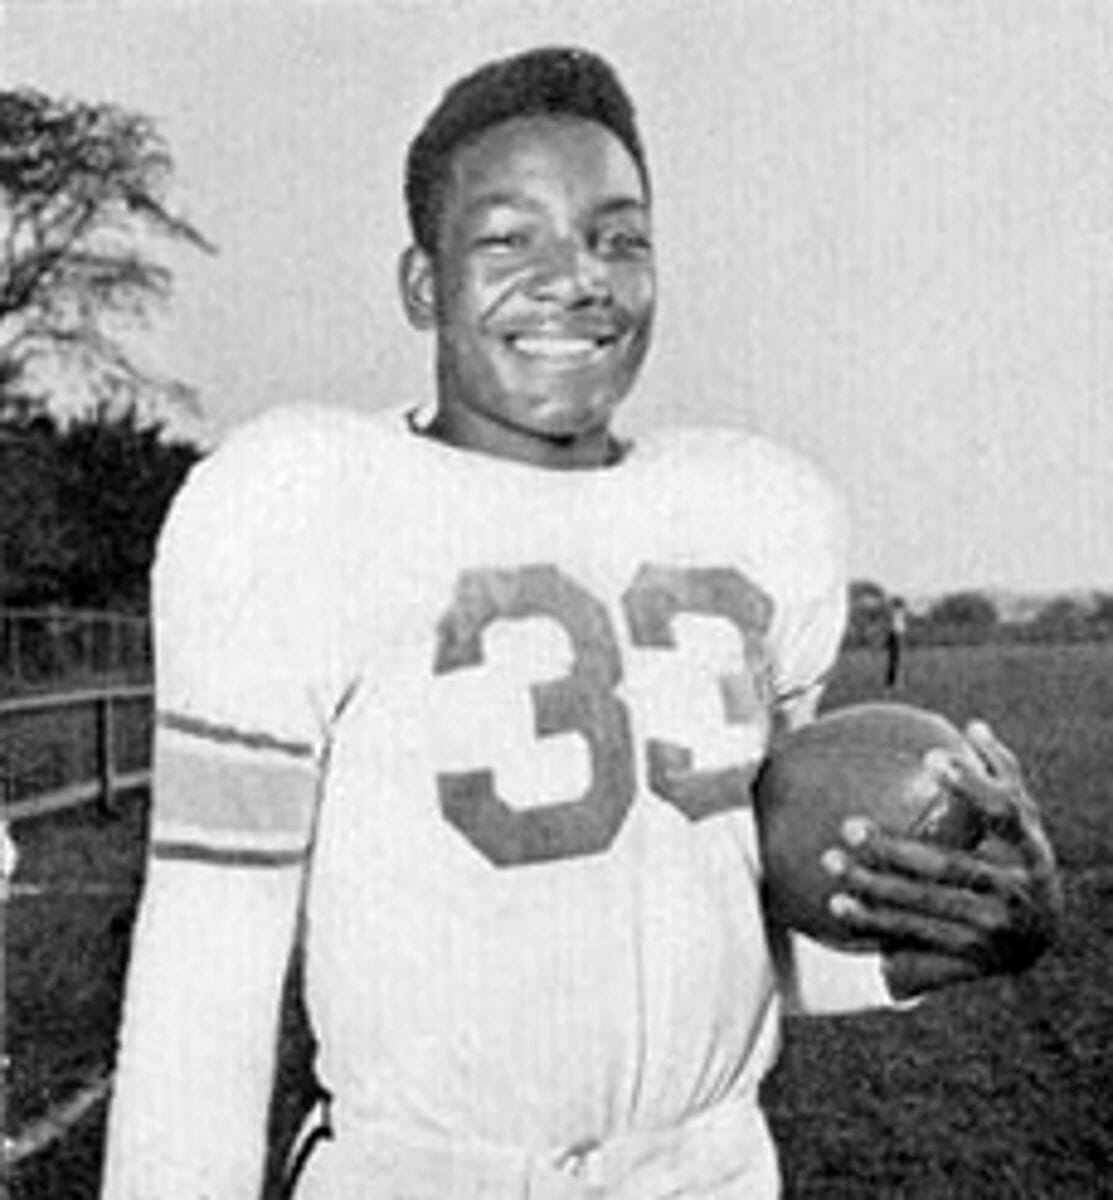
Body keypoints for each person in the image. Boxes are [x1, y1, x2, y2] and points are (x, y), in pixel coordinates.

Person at [102, 47, 1062, 1199]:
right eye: (511, 239)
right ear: (424, 284)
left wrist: (941, 937)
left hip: (706, 1175)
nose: (576, 279)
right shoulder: (301, 505)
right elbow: (207, 962)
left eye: (620, 238)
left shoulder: (757, 516)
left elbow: (742, 929)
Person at [884, 595, 908, 689]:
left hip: (897, 635)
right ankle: (894, 683)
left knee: (896, 660)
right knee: (894, 660)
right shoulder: (896, 612)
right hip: (895, 634)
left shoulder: (897, 612)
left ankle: (895, 683)